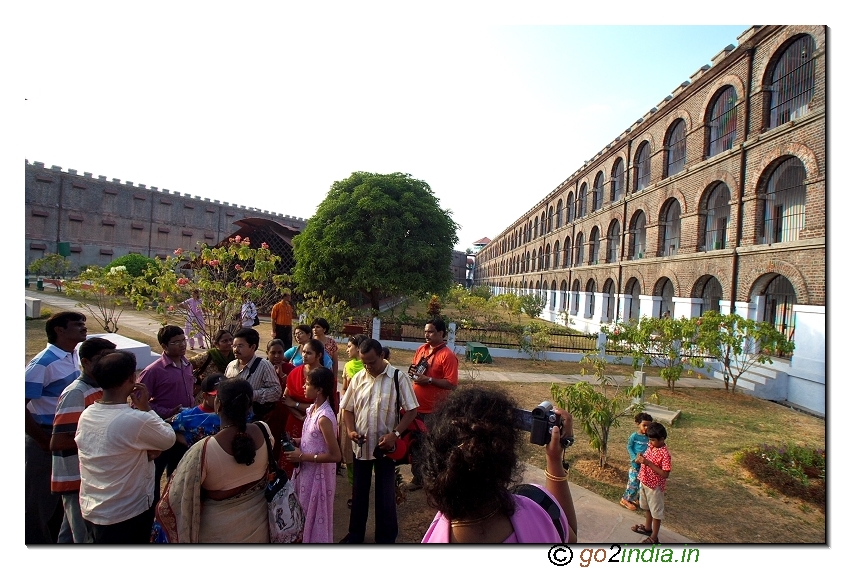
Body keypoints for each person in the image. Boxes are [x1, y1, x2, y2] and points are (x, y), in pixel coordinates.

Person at [420, 387, 578, 543]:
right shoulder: (540, 512)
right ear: (507, 462)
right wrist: (554, 460)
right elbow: (567, 534)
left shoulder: (432, 540)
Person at [153, 379, 273, 543]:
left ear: (218, 405)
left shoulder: (204, 449)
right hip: (259, 526)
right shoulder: (264, 431)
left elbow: (175, 500)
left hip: (217, 532)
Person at [75, 351, 176, 543]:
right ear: (132, 378)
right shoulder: (136, 419)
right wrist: (146, 407)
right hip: (126, 513)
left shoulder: (87, 414)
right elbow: (168, 438)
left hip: (93, 507)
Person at [339, 338, 419, 544]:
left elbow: (412, 411)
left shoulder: (397, 378)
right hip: (362, 446)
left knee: (385, 496)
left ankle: (385, 538)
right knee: (359, 495)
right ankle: (355, 535)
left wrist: (396, 434)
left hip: (386, 448)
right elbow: (347, 408)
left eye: (372, 362)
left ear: (382, 356)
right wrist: (350, 431)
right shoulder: (358, 378)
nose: (368, 366)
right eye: (364, 362)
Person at [26, 311, 88, 544]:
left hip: (67, 437)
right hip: (46, 437)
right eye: (77, 324)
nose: (83, 327)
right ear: (59, 331)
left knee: (64, 499)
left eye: (84, 323)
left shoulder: (73, 356)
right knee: (38, 501)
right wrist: (42, 440)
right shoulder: (43, 363)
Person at [50, 337, 116, 543]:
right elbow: (59, 442)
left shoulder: (100, 388)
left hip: (91, 477)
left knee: (69, 535)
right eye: (102, 358)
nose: (108, 363)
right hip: (76, 478)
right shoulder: (76, 393)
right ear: (86, 362)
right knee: (83, 537)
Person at [282, 367, 342, 543]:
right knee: (303, 512)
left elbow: (336, 455)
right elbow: (315, 440)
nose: (303, 387)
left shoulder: (324, 417)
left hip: (318, 476)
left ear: (319, 390)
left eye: (307, 384)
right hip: (307, 473)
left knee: (314, 516)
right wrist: (298, 441)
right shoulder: (312, 410)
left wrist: (303, 457)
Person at [138, 325, 195, 505]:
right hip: (161, 427)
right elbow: (138, 403)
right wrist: (167, 412)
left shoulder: (187, 364)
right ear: (164, 345)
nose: (181, 345)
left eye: (183, 340)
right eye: (175, 342)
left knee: (178, 472)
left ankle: (172, 506)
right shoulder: (153, 371)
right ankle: (152, 508)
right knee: (155, 472)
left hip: (183, 428)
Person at [407, 318, 459, 490]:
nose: (426, 335)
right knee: (415, 444)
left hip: (434, 410)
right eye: (425, 331)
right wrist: (415, 374)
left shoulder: (447, 356)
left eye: (430, 332)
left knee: (433, 445)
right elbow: (416, 371)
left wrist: (428, 380)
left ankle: (437, 479)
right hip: (416, 407)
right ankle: (418, 478)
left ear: (441, 333)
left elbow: (451, 383)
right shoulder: (421, 350)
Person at [279, 338, 325, 477]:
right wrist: (299, 414)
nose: (304, 355)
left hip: (316, 422)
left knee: (309, 461)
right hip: (294, 420)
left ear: (319, 356)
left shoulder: (324, 376)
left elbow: (324, 405)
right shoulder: (295, 372)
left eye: (309, 353)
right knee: (289, 456)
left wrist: (297, 405)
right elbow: (286, 399)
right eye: (303, 352)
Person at [224, 327, 282, 422]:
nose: (235, 349)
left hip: (252, 420)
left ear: (253, 347)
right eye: (234, 346)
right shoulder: (231, 365)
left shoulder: (264, 366)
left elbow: (276, 392)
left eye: (240, 346)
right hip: (231, 418)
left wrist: (252, 395)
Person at [632, 423, 672, 544]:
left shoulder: (665, 454)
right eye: (649, 439)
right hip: (645, 481)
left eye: (653, 440)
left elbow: (665, 474)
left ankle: (654, 537)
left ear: (662, 439)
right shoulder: (651, 446)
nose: (650, 442)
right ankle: (648, 528)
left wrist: (648, 463)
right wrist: (640, 458)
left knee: (656, 512)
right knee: (647, 508)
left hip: (655, 487)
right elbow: (646, 458)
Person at [340, 334, 368, 506]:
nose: (347, 349)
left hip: (366, 414)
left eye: (350, 346)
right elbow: (343, 389)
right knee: (350, 453)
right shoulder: (348, 366)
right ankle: (354, 491)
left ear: (359, 348)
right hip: (350, 413)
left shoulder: (371, 365)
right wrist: (347, 402)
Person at [169, 373, 224, 448]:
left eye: (225, 393)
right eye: (217, 395)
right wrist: (186, 441)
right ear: (205, 396)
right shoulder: (187, 416)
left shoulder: (231, 414)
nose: (222, 398)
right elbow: (164, 427)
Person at [264, 338, 293, 461]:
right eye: (273, 353)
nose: (276, 356)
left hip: (283, 412)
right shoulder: (262, 367)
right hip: (265, 412)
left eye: (280, 352)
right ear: (267, 353)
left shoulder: (290, 369)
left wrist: (282, 375)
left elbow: (294, 389)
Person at [620, 412, 653, 511]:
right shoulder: (634, 436)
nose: (646, 428)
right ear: (638, 424)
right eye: (644, 425)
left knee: (641, 483)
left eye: (649, 426)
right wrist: (634, 457)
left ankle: (635, 498)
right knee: (633, 482)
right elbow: (629, 447)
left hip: (645, 464)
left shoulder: (650, 437)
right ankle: (625, 499)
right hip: (635, 464)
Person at [189, 329, 236, 394]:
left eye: (231, 340)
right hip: (206, 394)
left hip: (225, 393)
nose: (229, 343)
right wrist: (195, 383)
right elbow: (187, 367)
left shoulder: (235, 356)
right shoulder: (208, 355)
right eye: (225, 341)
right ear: (216, 343)